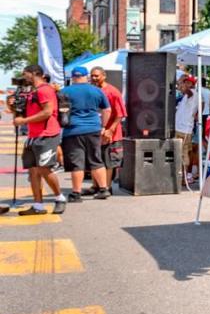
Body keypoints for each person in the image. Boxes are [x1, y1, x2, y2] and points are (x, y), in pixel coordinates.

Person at [5, 65, 67, 215]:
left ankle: (59, 198)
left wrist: (24, 120)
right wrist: (12, 105)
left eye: (25, 74)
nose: (23, 77)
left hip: (47, 134)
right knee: (33, 171)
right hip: (34, 135)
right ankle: (38, 206)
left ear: (34, 73)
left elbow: (47, 112)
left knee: (44, 168)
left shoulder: (45, 90)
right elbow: (21, 111)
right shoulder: (33, 92)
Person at [60, 66, 111, 201]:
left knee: (77, 163)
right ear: (86, 76)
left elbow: (59, 111)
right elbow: (107, 110)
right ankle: (103, 189)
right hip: (93, 129)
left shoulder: (65, 91)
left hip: (73, 130)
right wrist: (103, 126)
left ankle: (76, 194)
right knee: (96, 160)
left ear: (72, 77)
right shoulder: (96, 91)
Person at [90, 67, 127, 192]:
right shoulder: (91, 90)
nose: (94, 78)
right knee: (95, 160)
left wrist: (110, 129)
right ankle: (95, 186)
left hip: (111, 134)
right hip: (94, 133)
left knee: (108, 161)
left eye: (97, 76)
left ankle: (106, 187)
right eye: (92, 76)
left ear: (104, 76)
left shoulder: (112, 91)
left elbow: (120, 113)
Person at [174, 74, 199, 184]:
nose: (184, 84)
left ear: (191, 84)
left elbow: (185, 90)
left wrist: (181, 81)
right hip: (181, 128)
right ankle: (182, 177)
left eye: (187, 82)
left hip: (183, 130)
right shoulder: (187, 95)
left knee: (183, 154)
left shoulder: (192, 93)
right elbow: (180, 88)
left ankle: (184, 178)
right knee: (181, 153)